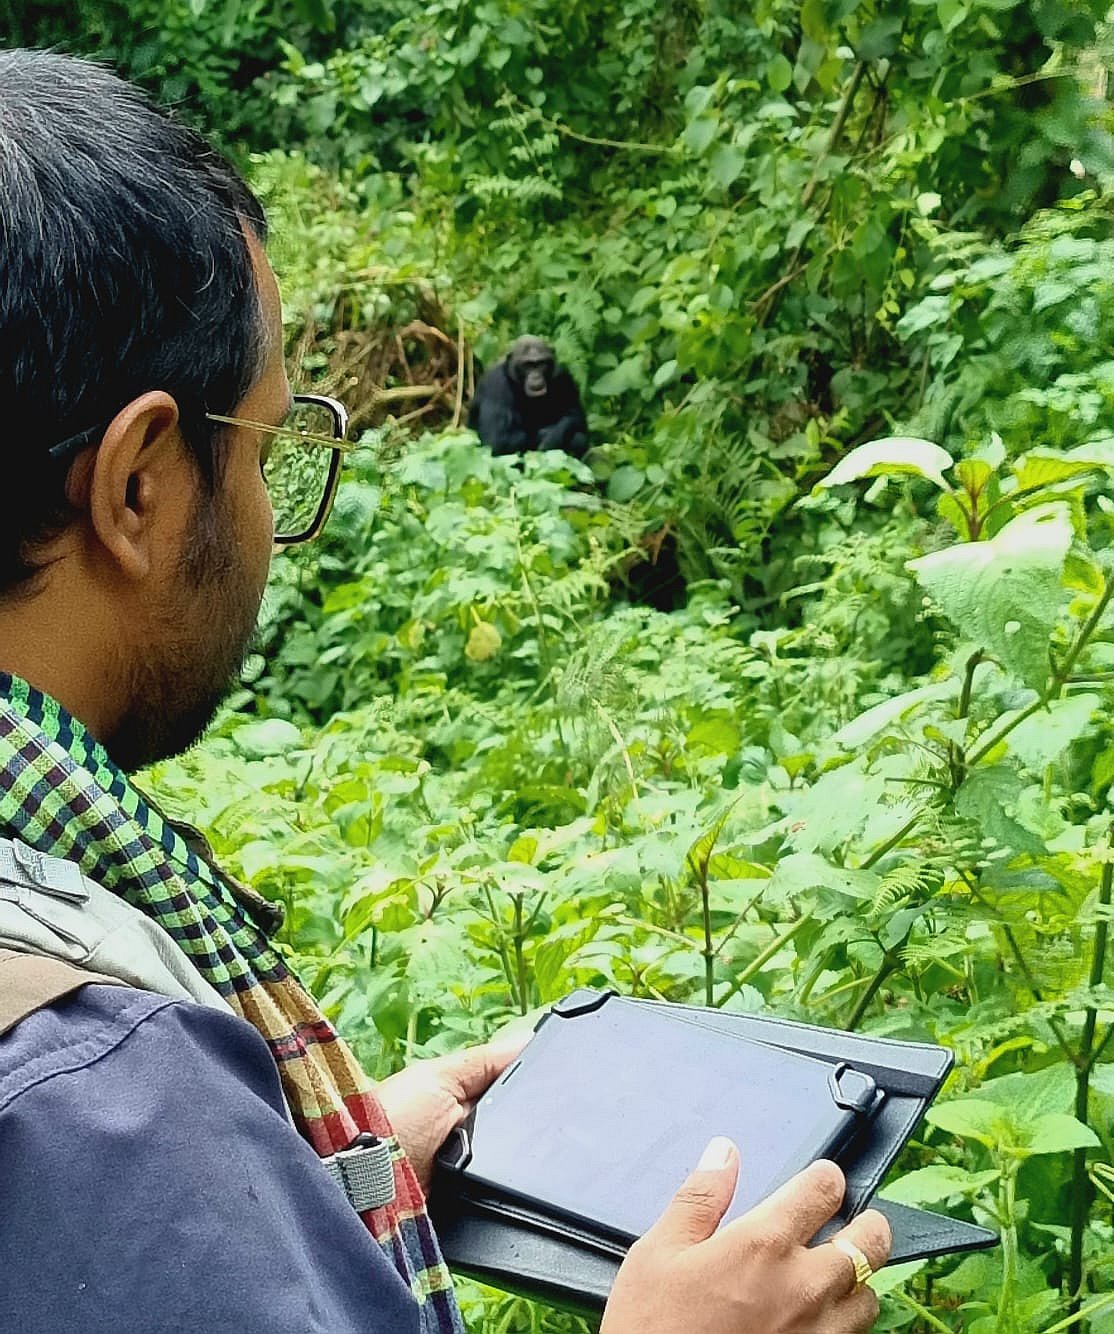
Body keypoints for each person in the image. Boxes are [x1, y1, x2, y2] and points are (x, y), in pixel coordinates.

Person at [0, 48, 891, 1334]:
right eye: (267, 445)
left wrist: (308, 1188)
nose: (268, 517)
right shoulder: (99, 1091)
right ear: (140, 484)